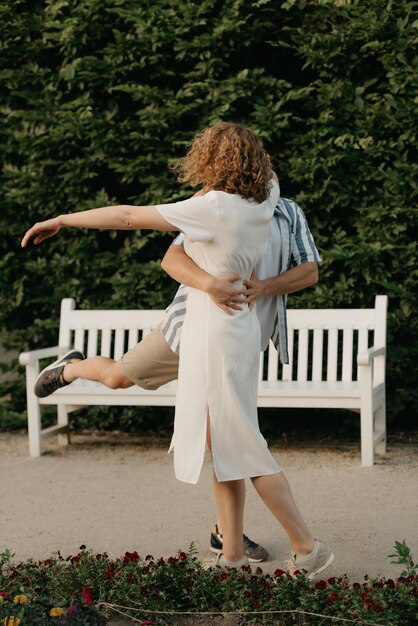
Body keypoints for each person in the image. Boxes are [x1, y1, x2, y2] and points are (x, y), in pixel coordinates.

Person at [22, 122, 333, 577]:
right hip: (236, 330)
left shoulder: (211, 208)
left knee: (244, 447)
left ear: (208, 162)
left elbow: (127, 216)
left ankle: (309, 550)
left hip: (216, 338)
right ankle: (231, 553)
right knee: (224, 445)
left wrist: (63, 219)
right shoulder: (266, 195)